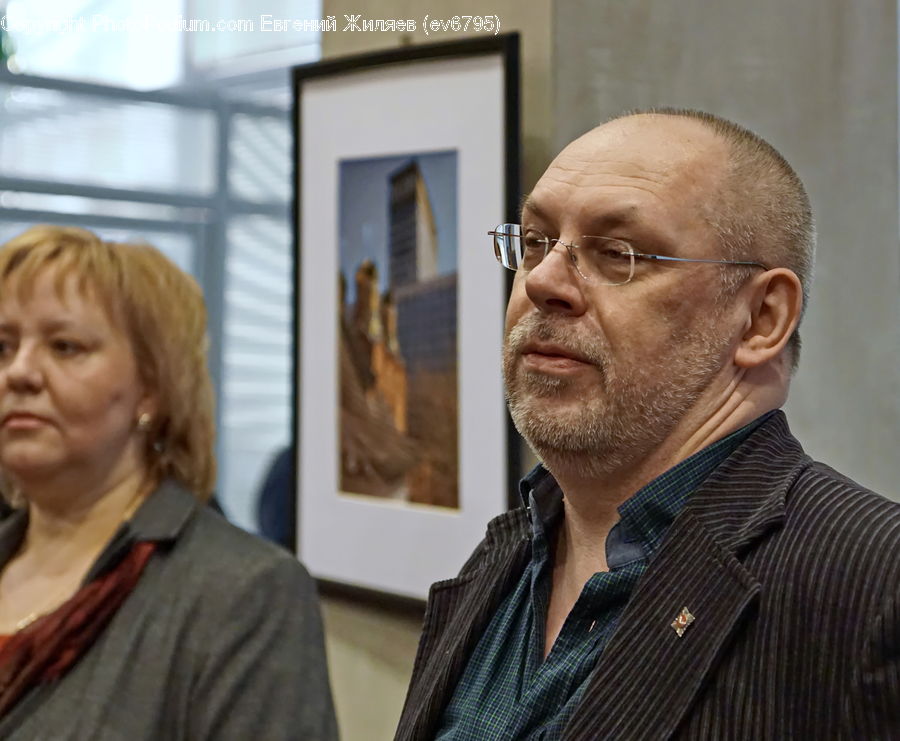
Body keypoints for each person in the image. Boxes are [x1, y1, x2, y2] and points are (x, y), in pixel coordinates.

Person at [395, 110, 900, 740]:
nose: (545, 281)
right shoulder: (505, 558)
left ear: (761, 319)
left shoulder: (874, 585)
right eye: (534, 242)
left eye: (618, 254)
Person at [0, 226, 338, 739]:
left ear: (151, 391)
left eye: (64, 346)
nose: (19, 372)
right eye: (3, 347)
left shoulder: (245, 593)